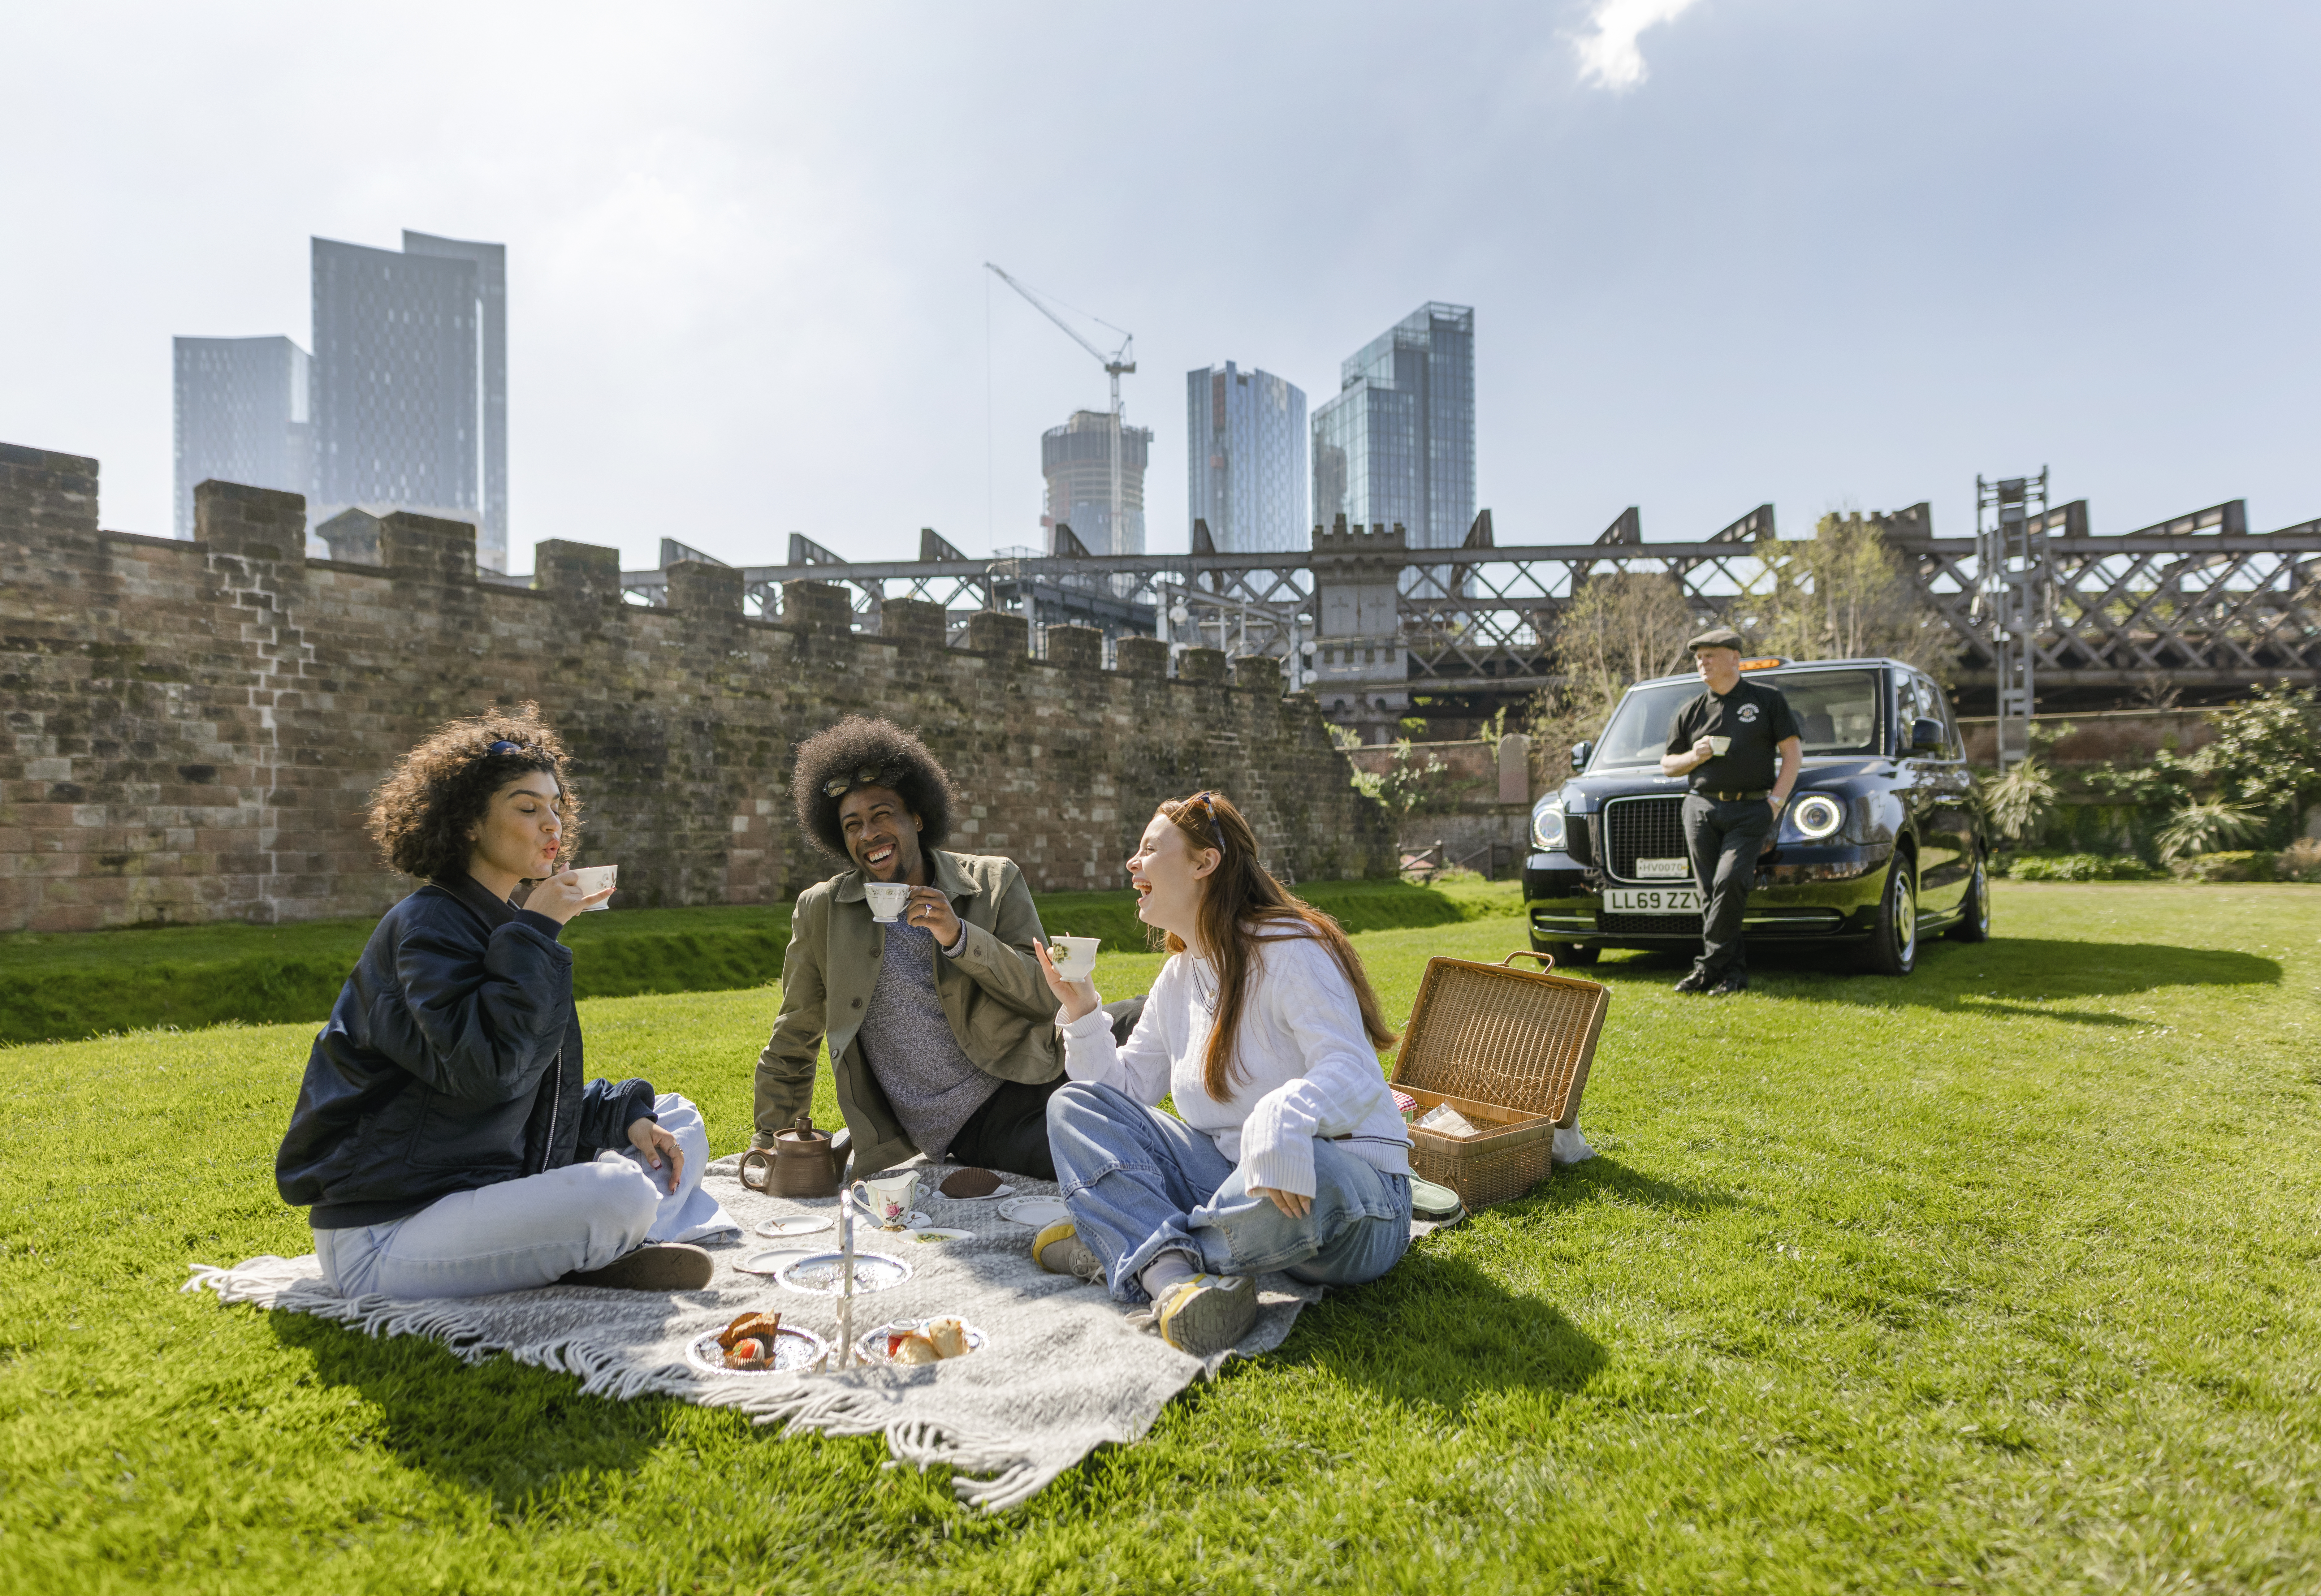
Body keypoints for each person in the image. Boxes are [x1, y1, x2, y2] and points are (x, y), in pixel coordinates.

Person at [275, 707, 732, 1299]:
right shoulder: (428, 927)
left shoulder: (501, 923)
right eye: (528, 808)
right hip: (391, 1230)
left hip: (486, 1185)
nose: (554, 826)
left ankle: (589, 1243)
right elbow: (490, 1072)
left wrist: (625, 1118)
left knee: (675, 1119)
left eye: (557, 808)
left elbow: (533, 1088)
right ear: (469, 823)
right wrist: (539, 930)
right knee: (618, 1195)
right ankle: (602, 1240)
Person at [1031, 790, 1413, 1360]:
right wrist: (1083, 1012)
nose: (1132, 863)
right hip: (1235, 1182)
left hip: (1353, 1195)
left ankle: (1127, 1244)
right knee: (1074, 1106)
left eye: (1149, 849)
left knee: (1318, 1169)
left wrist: (1283, 1116)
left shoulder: (1291, 946)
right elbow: (1123, 1094)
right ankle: (1173, 1276)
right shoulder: (1178, 977)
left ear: (1204, 862)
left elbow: (1354, 1072)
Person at [754, 717, 1065, 1180]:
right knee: (1097, 1150)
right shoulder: (823, 911)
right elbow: (794, 1035)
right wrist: (768, 1142)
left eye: (882, 815)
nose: (868, 834)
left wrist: (960, 936)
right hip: (974, 1118)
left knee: (1154, 1017)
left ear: (918, 818)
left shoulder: (994, 881)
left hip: (1044, 1065)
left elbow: (1047, 995)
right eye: (852, 825)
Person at [1661, 627, 1803, 996]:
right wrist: (1695, 756)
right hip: (1701, 807)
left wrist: (1776, 802)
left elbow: (1793, 753)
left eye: (1710, 654)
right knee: (1711, 893)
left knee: (1730, 882)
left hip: (1751, 807)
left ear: (1734, 658)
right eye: (1698, 656)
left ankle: (1707, 968)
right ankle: (1732, 974)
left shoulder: (1767, 700)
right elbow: (1667, 765)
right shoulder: (1691, 710)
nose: (1702, 662)